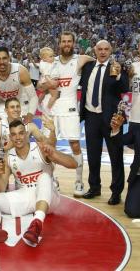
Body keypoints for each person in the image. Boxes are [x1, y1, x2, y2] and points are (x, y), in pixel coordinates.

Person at [0, 119, 77, 247]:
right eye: (14, 134)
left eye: (21, 133)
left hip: (49, 197)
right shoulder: (8, 157)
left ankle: (37, 223)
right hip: (26, 196)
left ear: (26, 134)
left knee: (44, 177)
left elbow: (73, 164)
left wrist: (54, 154)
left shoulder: (41, 148)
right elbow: (0, 189)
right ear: (10, 137)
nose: (18, 137)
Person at [41, 31, 94, 197]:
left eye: (69, 41)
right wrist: (48, 84)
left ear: (73, 43)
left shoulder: (80, 59)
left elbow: (97, 59)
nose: (66, 44)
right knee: (48, 146)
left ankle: (79, 181)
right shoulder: (51, 61)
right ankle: (52, 180)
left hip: (70, 108)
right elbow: (40, 86)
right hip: (51, 109)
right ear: (59, 43)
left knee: (75, 146)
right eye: (63, 41)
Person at [79, 40, 129, 205]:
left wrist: (120, 74)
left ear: (111, 50)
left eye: (106, 49)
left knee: (116, 156)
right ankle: (94, 187)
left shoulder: (117, 66)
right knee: (93, 155)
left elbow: (124, 88)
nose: (102, 52)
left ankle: (116, 192)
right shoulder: (87, 67)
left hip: (111, 118)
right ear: (95, 50)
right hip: (91, 116)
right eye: (99, 49)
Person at [0, 46, 38, 124]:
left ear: (9, 58)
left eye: (4, 58)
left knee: (21, 129)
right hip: (2, 103)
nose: (1, 62)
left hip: (21, 101)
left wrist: (30, 114)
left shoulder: (21, 71)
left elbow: (33, 96)